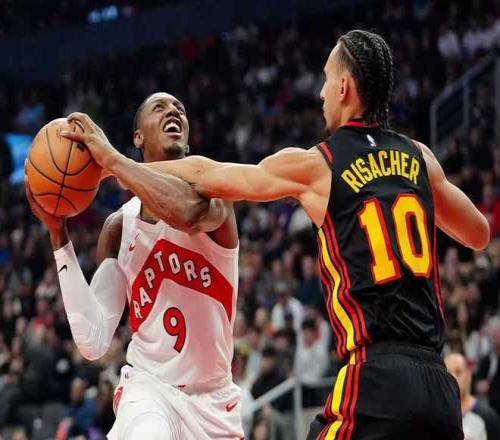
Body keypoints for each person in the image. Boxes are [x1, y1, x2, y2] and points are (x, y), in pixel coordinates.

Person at [61, 30, 490, 439]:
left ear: (343, 88)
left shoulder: (318, 164)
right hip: (438, 386)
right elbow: (478, 233)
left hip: (374, 375)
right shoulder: (420, 158)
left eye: (326, 80)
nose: (320, 93)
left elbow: (208, 175)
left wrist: (113, 162)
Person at [26, 92, 244, 439]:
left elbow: (186, 214)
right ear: (138, 137)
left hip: (214, 402)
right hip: (149, 389)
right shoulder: (118, 227)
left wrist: (113, 160)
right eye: (160, 107)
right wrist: (58, 237)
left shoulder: (214, 193)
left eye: (179, 108)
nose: (173, 111)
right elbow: (94, 340)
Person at [445, 353, 500, 440]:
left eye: (458, 372)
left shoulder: (489, 417)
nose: (453, 377)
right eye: (448, 373)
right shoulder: (436, 416)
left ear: (468, 375)